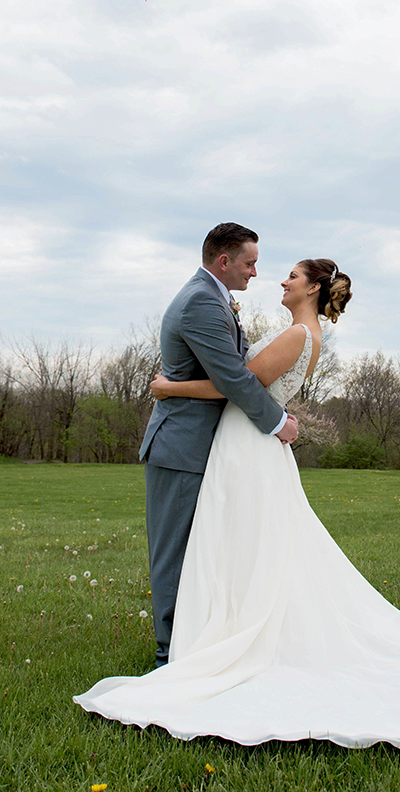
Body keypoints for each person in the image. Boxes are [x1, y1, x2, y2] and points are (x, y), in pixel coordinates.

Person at [75, 258, 400, 758]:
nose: (281, 280)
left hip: (247, 448)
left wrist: (170, 387)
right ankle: (220, 627)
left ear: (312, 289)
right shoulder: (302, 335)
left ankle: (228, 637)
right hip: (243, 446)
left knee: (241, 541)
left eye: (293, 276)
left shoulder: (298, 336)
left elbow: (236, 386)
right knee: (243, 545)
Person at [137, 222, 298, 667]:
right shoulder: (201, 303)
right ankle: (169, 654)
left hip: (207, 445)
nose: (255, 273)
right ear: (223, 262)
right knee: (175, 552)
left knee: (204, 548)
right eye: (250, 264)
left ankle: (196, 637)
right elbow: (232, 378)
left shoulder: (214, 297)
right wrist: (277, 421)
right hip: (181, 446)